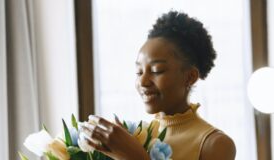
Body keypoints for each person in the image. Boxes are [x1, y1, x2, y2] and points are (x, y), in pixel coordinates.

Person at [81, 11, 236, 160]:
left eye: (156, 70)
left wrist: (133, 156)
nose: (143, 81)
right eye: (139, 72)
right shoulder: (138, 135)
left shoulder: (215, 144)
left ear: (190, 76)